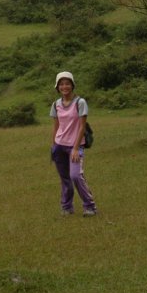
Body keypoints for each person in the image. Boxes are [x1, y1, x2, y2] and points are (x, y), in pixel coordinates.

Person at [49, 71, 97, 217]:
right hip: (59, 145)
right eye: (61, 84)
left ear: (72, 85)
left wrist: (76, 148)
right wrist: (53, 147)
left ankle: (89, 206)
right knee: (65, 178)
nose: (65, 87)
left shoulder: (80, 103)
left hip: (75, 146)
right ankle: (66, 207)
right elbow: (56, 126)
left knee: (75, 175)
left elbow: (82, 127)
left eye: (67, 83)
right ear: (57, 87)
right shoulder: (56, 104)